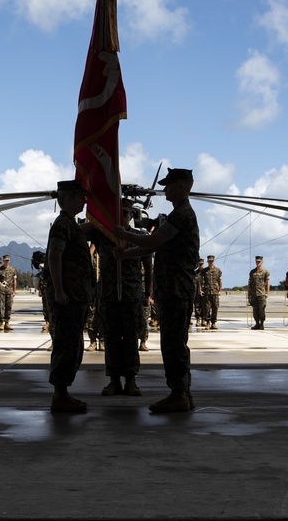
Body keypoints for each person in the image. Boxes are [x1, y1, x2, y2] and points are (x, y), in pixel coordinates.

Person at [115, 167, 200, 414]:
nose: (165, 190)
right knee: (176, 343)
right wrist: (127, 253)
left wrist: (124, 235)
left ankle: (178, 394)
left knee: (173, 344)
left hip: (176, 289)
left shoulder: (182, 215)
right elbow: (154, 248)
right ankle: (183, 392)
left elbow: (152, 241)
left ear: (183, 186)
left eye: (170, 185)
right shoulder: (179, 214)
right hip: (174, 290)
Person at [86, 199, 152, 397]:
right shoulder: (102, 235)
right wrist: (101, 220)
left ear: (132, 216)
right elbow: (81, 231)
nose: (122, 217)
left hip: (132, 295)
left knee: (131, 338)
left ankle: (131, 380)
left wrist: (148, 293)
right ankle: (114, 379)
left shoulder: (139, 236)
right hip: (108, 294)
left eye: (125, 213)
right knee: (111, 338)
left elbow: (148, 267)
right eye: (118, 213)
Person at [45, 180, 95, 413]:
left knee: (73, 344)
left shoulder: (71, 225)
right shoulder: (62, 224)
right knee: (66, 345)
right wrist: (59, 290)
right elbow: (55, 256)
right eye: (80, 197)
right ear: (67, 199)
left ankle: (63, 393)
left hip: (76, 296)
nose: (85, 201)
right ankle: (60, 396)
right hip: (68, 297)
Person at [0, 254, 17, 332]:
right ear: (3, 261)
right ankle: (1, 323)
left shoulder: (13, 270)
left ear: (9, 261)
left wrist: (14, 291)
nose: (6, 262)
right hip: (1, 291)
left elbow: (14, 281)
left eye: (8, 260)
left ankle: (7, 323)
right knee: (1, 307)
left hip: (9, 291)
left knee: (9, 307)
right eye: (5, 260)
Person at [247, 255, 270, 329]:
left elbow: (267, 282)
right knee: (255, 310)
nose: (258, 263)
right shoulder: (252, 272)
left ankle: (262, 323)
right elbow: (250, 284)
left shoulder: (265, 271)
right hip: (254, 294)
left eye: (259, 262)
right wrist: (249, 294)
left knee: (262, 309)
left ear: (262, 262)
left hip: (261, 293)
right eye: (257, 261)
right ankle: (257, 323)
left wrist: (267, 292)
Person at [200, 255, 222, 329]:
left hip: (215, 292)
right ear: (207, 261)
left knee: (215, 307)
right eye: (209, 261)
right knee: (206, 308)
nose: (211, 262)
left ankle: (213, 323)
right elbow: (200, 281)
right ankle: (207, 322)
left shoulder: (218, 270)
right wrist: (200, 290)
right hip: (207, 292)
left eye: (212, 261)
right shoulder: (204, 271)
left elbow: (219, 281)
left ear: (214, 261)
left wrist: (219, 290)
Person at [193, 258, 205, 327]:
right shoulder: (195, 273)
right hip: (196, 292)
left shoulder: (206, 272)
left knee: (204, 307)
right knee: (197, 307)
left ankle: (203, 319)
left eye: (202, 264)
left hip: (204, 292)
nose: (200, 265)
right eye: (199, 264)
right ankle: (197, 319)